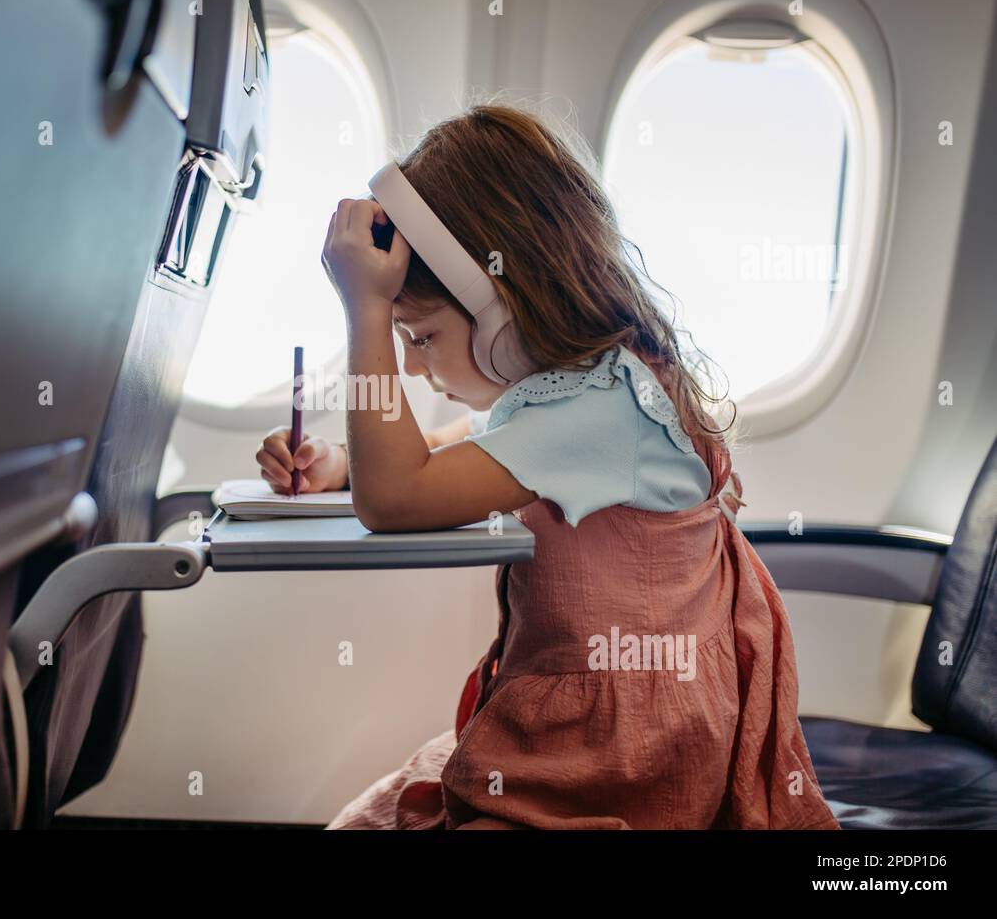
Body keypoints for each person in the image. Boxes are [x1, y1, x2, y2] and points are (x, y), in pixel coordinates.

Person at [255, 103, 839, 830]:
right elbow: (439, 454)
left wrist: (365, 310)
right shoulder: (597, 386)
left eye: (421, 336)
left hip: (620, 753)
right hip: (607, 718)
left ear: (500, 310)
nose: (410, 362)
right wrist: (335, 464)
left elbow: (397, 496)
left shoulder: (595, 412)